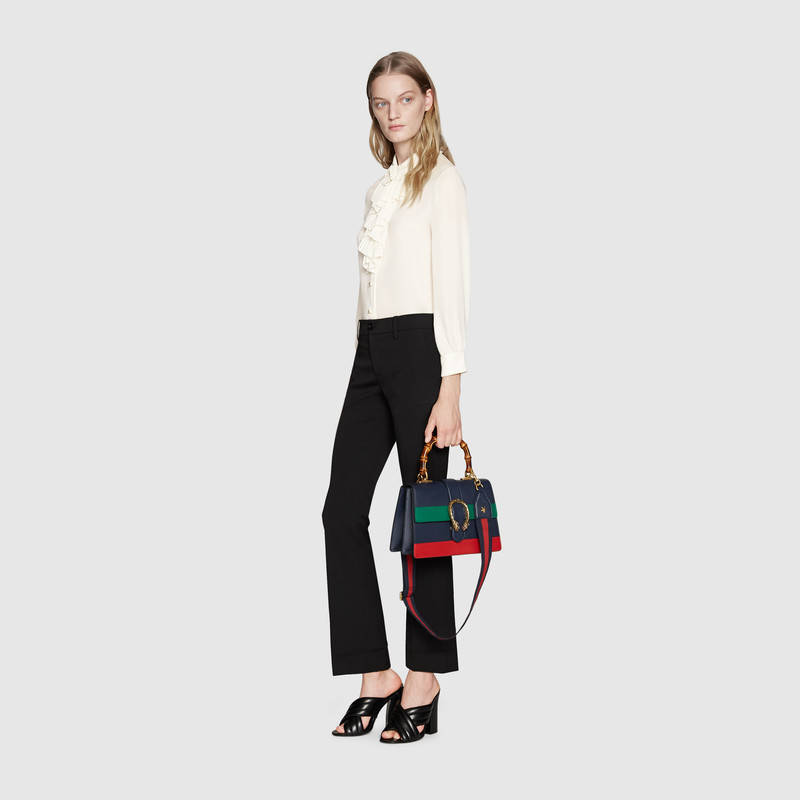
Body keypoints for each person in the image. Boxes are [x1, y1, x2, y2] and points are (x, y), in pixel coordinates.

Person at [322, 51, 471, 744]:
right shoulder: (380, 188)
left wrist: (450, 389)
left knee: (426, 515)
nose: (393, 113)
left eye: (404, 99)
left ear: (428, 100)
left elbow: (452, 290)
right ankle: (374, 672)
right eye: (381, 103)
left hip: (421, 353)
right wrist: (365, 350)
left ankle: (425, 675)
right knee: (340, 510)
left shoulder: (442, 181)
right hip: (371, 350)